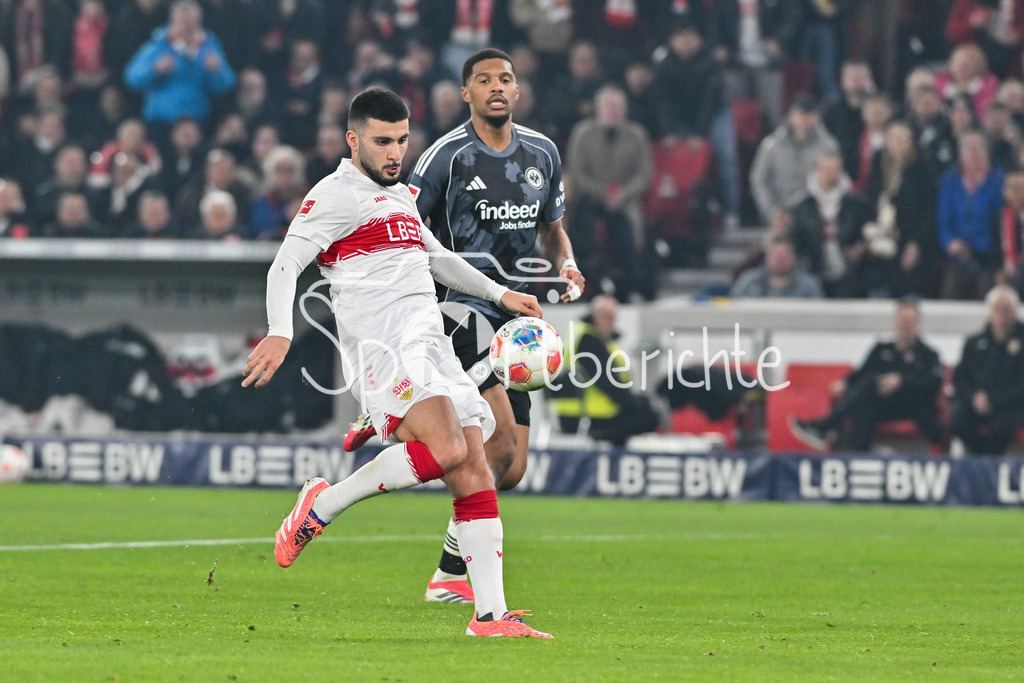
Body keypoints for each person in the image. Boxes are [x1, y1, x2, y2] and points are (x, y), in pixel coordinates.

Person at [242, 86, 552, 638]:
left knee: (474, 466)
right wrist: (281, 332)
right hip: (385, 350)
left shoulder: (402, 198)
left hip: (430, 344)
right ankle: (324, 503)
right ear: (353, 140)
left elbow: (438, 259)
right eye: (382, 141)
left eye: (402, 140)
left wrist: (502, 296)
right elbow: (285, 264)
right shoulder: (335, 194)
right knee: (451, 447)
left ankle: (489, 616)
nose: (394, 153)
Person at [344, 48, 585, 605]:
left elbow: (553, 229)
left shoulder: (543, 154)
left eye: (505, 78)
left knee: (510, 465)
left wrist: (566, 262)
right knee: (492, 440)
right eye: (484, 80)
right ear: (467, 93)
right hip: (459, 311)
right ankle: (394, 412)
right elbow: (400, 218)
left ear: (517, 91)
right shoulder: (445, 158)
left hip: (517, 317)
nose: (496, 87)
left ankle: (448, 571)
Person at [791, 297, 944, 452]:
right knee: (863, 407)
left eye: (910, 321)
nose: (905, 326)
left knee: (869, 384)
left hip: (913, 406)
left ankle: (826, 426)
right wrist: (845, 382)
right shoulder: (881, 349)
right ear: (895, 322)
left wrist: (902, 381)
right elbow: (861, 372)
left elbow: (933, 384)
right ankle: (860, 457)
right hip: (881, 404)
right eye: (902, 321)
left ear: (917, 324)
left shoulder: (928, 355)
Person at [566, 84, 652, 302]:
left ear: (625, 110)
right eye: (608, 107)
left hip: (626, 200)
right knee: (581, 230)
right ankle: (583, 284)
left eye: (617, 107)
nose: (613, 112)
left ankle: (629, 286)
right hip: (589, 199)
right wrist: (602, 193)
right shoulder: (582, 134)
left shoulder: (637, 135)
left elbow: (644, 174)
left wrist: (622, 194)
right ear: (598, 109)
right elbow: (576, 172)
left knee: (630, 233)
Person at [123, 0, 236, 154]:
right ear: (173, 22)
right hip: (162, 123)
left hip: (197, 123)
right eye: (183, 21)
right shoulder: (159, 45)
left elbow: (226, 84)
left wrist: (217, 71)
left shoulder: (209, 46)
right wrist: (154, 70)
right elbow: (131, 78)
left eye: (192, 22)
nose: (187, 26)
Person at [547, 295, 659, 445]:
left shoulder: (585, 335)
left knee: (642, 406)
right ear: (594, 316)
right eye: (606, 317)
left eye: (613, 318)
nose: (611, 322)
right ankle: (611, 455)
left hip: (576, 412)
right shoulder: (589, 341)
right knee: (646, 417)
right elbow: (607, 383)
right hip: (586, 415)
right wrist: (635, 404)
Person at [788, 151, 875, 298]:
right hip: (814, 271)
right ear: (817, 172)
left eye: (835, 170)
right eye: (826, 170)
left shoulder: (856, 205)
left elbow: (870, 230)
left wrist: (861, 247)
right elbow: (796, 240)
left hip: (851, 273)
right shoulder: (803, 207)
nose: (830, 175)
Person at [950, 285, 1024, 455]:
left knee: (1001, 427)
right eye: (998, 310)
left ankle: (991, 465)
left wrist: (994, 400)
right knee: (958, 421)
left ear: (1014, 312)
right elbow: (960, 378)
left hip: (1010, 406)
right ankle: (977, 461)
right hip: (976, 404)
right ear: (990, 312)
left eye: (1006, 310)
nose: (1002, 315)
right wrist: (974, 397)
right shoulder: (974, 343)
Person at [750, 94, 840, 229]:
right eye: (800, 114)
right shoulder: (772, 145)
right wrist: (771, 212)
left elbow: (836, 180)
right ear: (790, 116)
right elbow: (758, 179)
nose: (804, 119)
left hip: (816, 216)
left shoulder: (828, 146)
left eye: (808, 115)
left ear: (816, 117)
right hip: (778, 212)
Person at [938, 129, 1005, 299]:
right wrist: (951, 243)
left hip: (988, 258)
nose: (974, 153)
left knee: (988, 293)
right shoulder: (949, 181)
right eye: (969, 148)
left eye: (979, 148)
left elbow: (1001, 222)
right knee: (949, 294)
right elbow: (943, 219)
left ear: (987, 153)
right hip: (959, 255)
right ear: (961, 153)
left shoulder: (999, 181)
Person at [731, 234, 825, 298]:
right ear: (767, 257)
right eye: (776, 256)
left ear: (793, 258)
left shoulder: (808, 286)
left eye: (784, 256)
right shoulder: (748, 282)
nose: (779, 260)